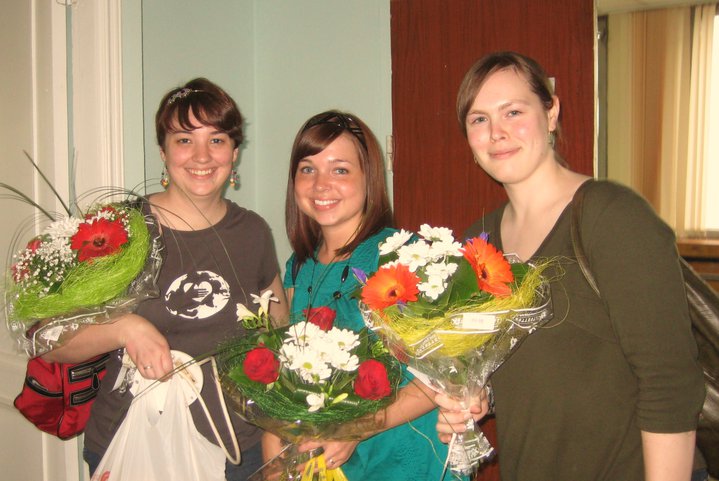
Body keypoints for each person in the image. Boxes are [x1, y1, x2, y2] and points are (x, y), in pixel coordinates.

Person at [434, 51, 706, 481]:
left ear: (551, 112)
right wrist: (476, 396)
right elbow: (534, 372)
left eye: (513, 112)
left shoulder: (611, 216)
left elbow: (670, 381)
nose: (497, 132)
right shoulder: (479, 242)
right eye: (479, 119)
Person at [43, 77, 288, 480]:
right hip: (135, 443)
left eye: (217, 140)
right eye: (184, 140)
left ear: (234, 152)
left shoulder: (253, 232)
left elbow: (276, 333)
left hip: (236, 448)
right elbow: (54, 343)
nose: (202, 156)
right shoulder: (119, 230)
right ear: (163, 151)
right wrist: (126, 328)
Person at [261, 110, 455, 480]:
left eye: (340, 170)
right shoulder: (299, 267)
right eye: (307, 169)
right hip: (337, 467)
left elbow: (441, 376)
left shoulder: (401, 257)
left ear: (369, 177)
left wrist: (356, 428)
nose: (321, 185)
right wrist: (277, 448)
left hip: (406, 459)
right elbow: (291, 377)